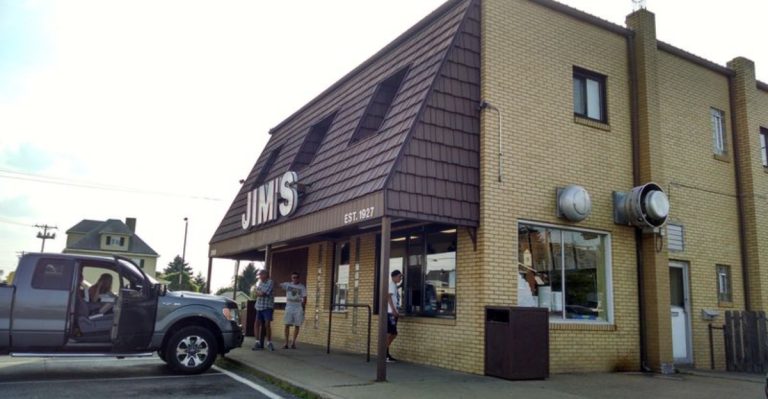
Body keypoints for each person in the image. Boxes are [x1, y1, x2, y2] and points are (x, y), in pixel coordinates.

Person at [279, 272, 307, 349]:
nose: (295, 279)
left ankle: (293, 342)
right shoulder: (288, 285)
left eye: (296, 277)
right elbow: (278, 285)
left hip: (298, 307)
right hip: (289, 307)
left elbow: (305, 298)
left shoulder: (302, 287)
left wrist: (303, 307)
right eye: (293, 277)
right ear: (291, 278)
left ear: (299, 278)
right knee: (286, 324)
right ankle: (286, 343)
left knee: (297, 325)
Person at [252, 269, 275, 351]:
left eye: (261, 275)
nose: (260, 276)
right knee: (256, 324)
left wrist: (258, 292)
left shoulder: (270, 282)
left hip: (267, 307)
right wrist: (258, 292)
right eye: (259, 275)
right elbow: (256, 292)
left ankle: (269, 342)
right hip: (259, 306)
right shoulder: (260, 283)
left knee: (267, 324)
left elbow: (264, 294)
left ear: (265, 275)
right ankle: (257, 342)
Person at [386, 269, 403, 363]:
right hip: (390, 314)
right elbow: (388, 296)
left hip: (392, 313)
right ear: (394, 277)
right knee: (391, 333)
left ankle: (386, 354)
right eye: (399, 276)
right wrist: (393, 310)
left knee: (391, 333)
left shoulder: (394, 286)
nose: (400, 278)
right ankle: (384, 354)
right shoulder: (392, 285)